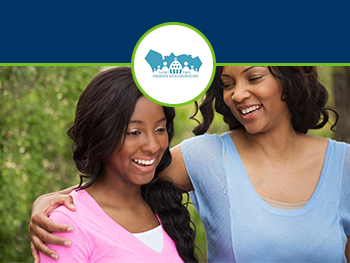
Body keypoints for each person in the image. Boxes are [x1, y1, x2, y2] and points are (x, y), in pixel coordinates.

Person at [29, 66, 350, 262]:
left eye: (253, 77)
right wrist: (49, 203)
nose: (238, 94)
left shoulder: (343, 164)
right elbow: (118, 177)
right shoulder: (206, 157)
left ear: (289, 77)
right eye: (227, 83)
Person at [32, 67, 198, 263]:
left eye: (160, 129)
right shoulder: (68, 224)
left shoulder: (162, 204)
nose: (153, 146)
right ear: (102, 135)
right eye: (134, 132)